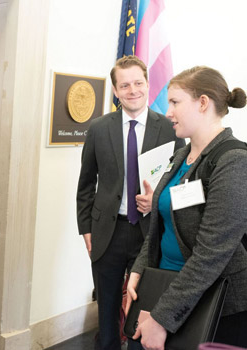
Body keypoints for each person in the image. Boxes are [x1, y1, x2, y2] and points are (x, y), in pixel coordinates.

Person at [126, 66, 247, 350]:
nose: (168, 112)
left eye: (175, 102)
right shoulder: (181, 155)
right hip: (162, 284)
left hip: (210, 302)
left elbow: (211, 254)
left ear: (203, 103)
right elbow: (161, 221)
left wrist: (162, 319)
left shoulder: (234, 161)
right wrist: (139, 269)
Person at [76, 55, 185, 350]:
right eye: (124, 85)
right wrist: (85, 229)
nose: (132, 90)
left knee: (144, 308)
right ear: (115, 90)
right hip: (106, 234)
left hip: (151, 233)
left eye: (138, 83)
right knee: (108, 310)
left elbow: (183, 184)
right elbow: (86, 184)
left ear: (148, 84)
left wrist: (158, 200)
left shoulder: (171, 129)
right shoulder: (98, 129)